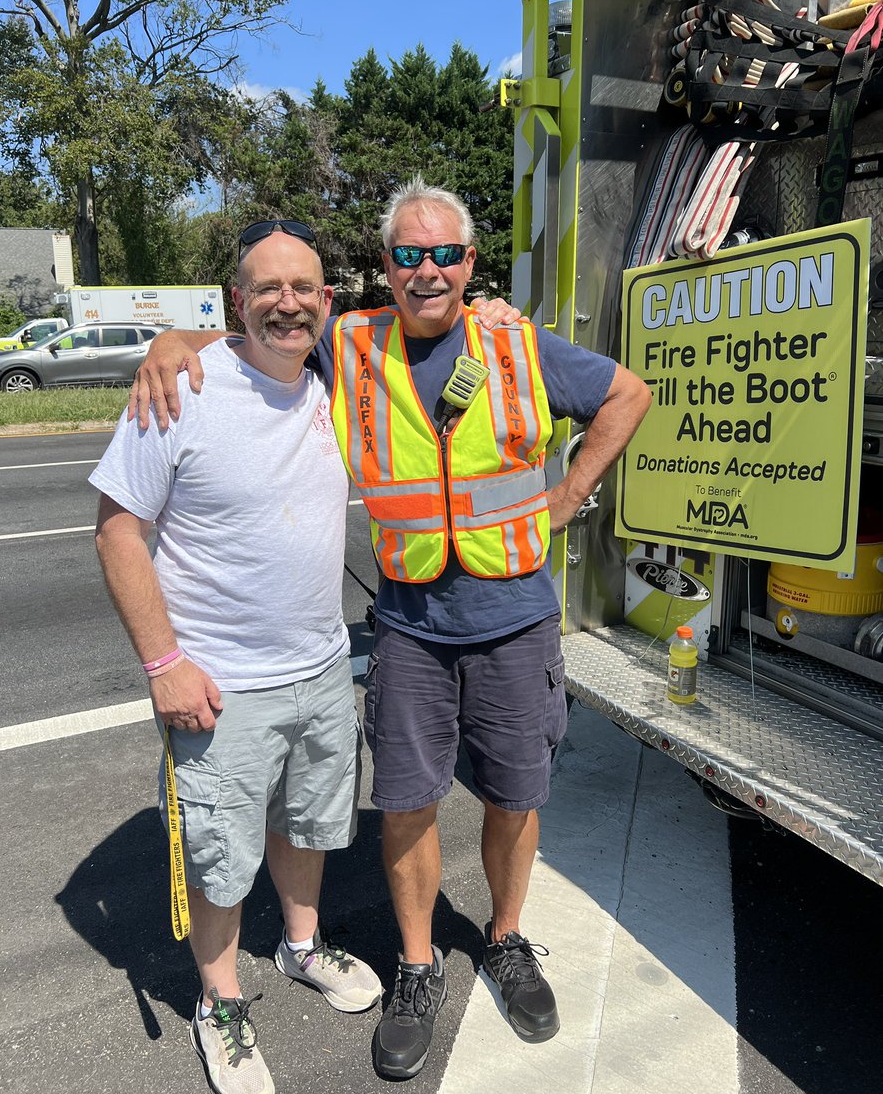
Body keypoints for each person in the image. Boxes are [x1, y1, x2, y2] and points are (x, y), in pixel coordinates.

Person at [135, 179, 652, 1082]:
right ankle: (418, 966)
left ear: (468, 262)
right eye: (407, 254)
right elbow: (263, 327)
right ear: (383, 268)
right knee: (407, 802)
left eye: (444, 253)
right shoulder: (352, 341)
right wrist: (174, 339)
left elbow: (628, 395)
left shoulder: (516, 343)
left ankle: (505, 939)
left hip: (516, 620)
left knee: (513, 795)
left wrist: (569, 495)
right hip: (412, 626)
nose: (427, 270)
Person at [90, 222, 384, 1094]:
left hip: (324, 666)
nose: (288, 303)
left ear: (328, 303)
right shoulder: (182, 388)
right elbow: (116, 532)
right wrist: (162, 665)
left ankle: (300, 946)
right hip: (219, 688)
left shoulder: (333, 380)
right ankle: (218, 1001)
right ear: (236, 302)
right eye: (267, 288)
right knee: (219, 852)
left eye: (305, 288)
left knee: (308, 823)